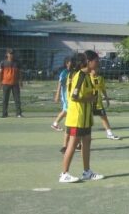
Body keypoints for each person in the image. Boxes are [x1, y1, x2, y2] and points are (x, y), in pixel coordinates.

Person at [59, 51, 105, 183]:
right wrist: (89, 99)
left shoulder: (87, 76)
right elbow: (74, 96)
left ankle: (87, 172)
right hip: (77, 117)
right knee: (72, 144)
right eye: (96, 61)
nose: (98, 63)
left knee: (87, 142)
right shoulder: (80, 76)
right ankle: (64, 174)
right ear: (89, 62)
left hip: (85, 117)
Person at [90, 68, 121, 140]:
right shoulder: (87, 77)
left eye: (96, 69)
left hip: (98, 103)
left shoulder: (100, 78)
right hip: (90, 103)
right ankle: (87, 135)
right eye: (94, 69)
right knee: (89, 120)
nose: (96, 70)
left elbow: (103, 89)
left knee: (104, 117)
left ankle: (109, 134)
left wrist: (107, 98)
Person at [52, 57, 72, 152]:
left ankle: (55, 123)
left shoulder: (72, 72)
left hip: (70, 96)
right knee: (66, 110)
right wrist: (57, 95)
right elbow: (60, 84)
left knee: (66, 111)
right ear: (67, 63)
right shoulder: (64, 72)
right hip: (65, 95)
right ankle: (55, 123)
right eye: (70, 62)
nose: (72, 64)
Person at [0, 48, 23, 118]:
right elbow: (0, 73)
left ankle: (18, 113)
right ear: (7, 54)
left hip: (15, 83)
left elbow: (20, 73)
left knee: (17, 99)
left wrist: (21, 81)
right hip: (6, 83)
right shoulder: (3, 62)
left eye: (12, 53)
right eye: (10, 53)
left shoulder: (17, 63)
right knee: (5, 99)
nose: (11, 55)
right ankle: (4, 114)